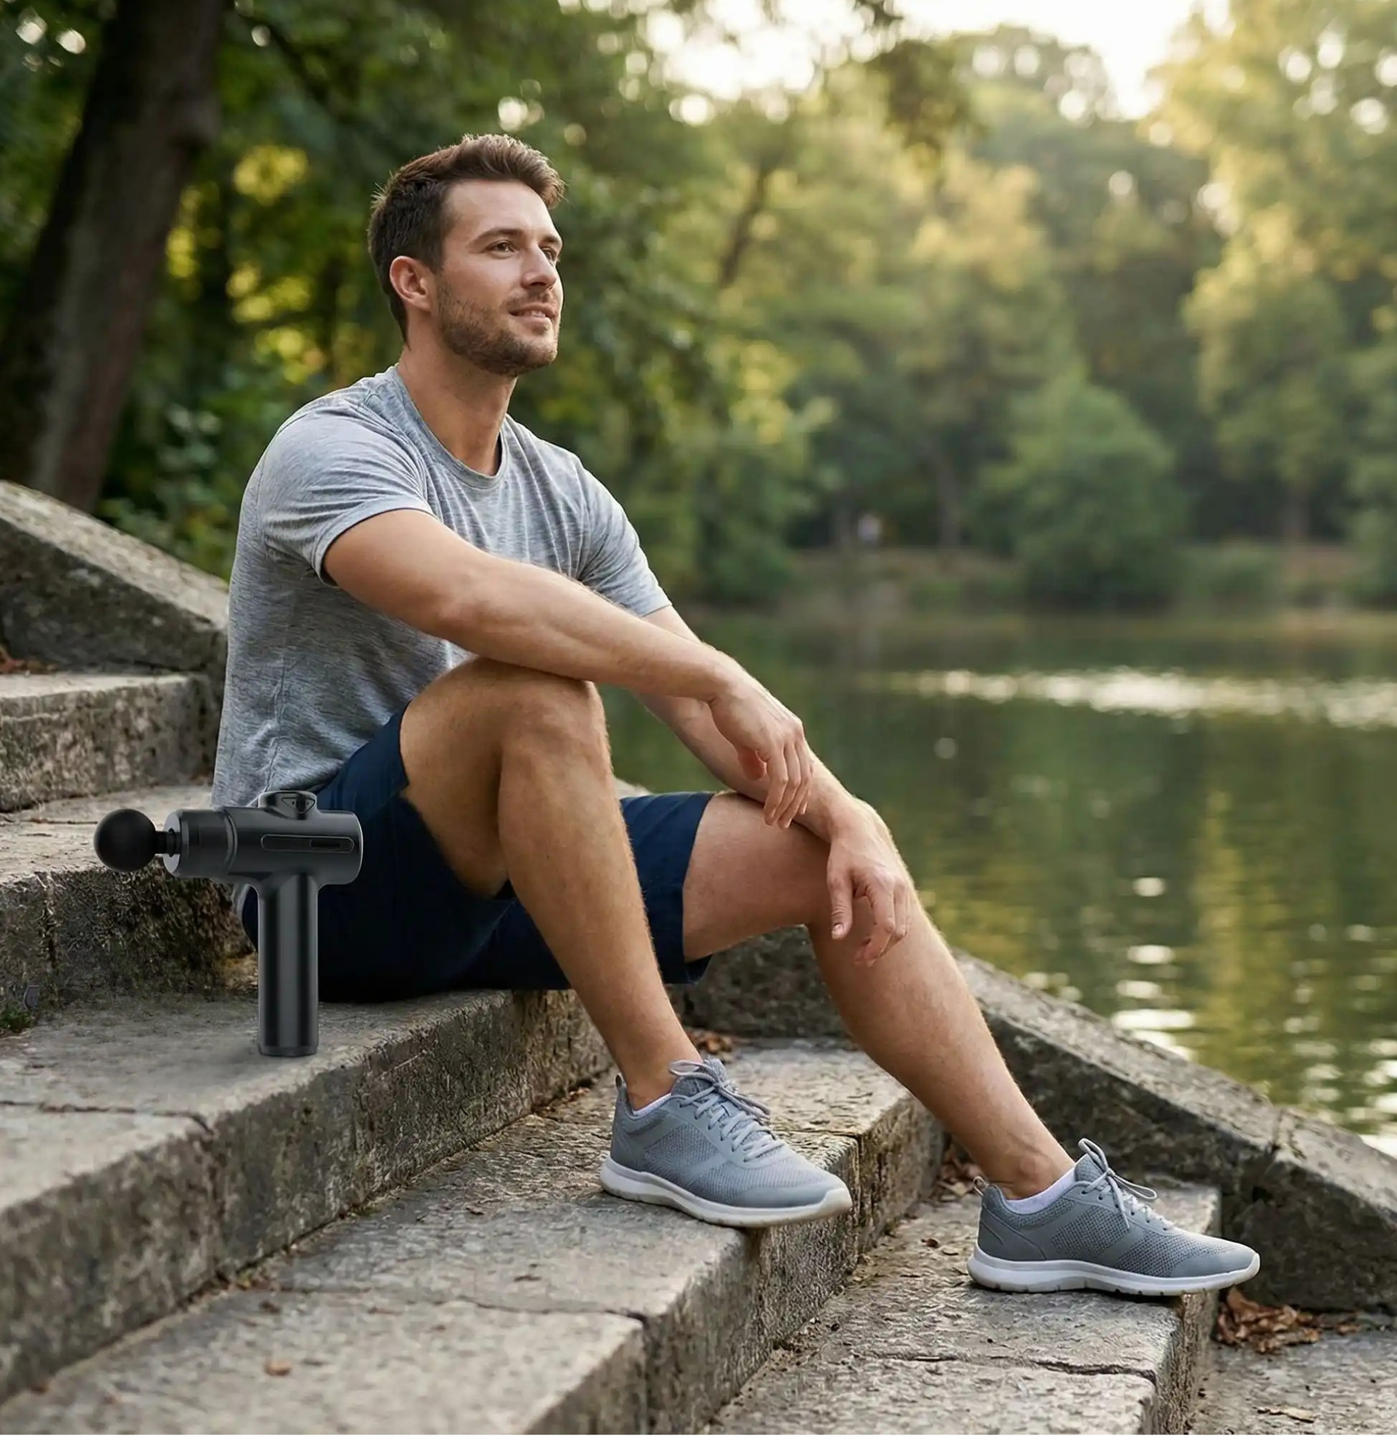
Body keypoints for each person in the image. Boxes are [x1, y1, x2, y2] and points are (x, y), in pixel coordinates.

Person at [210, 134, 1260, 1295]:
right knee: (530, 688)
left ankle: (1040, 1197)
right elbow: (466, 594)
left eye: (550, 249)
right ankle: (664, 1101)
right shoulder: (333, 447)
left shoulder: (562, 488)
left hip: (493, 879)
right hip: (320, 885)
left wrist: (852, 816)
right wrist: (712, 673)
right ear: (414, 281)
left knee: (818, 850)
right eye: (500, 246)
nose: (540, 272)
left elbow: (696, 697)